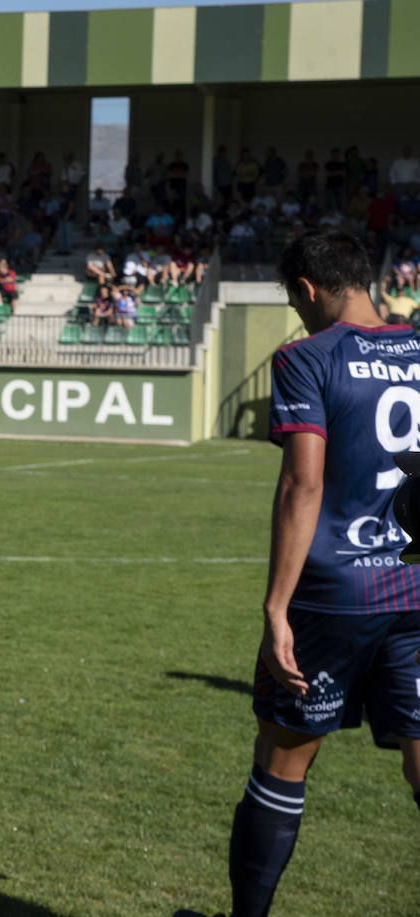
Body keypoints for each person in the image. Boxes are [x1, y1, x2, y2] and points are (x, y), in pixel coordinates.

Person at [182, 230, 420, 917]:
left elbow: (302, 485)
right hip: (414, 583)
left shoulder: (307, 357)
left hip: (336, 591)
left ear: (307, 290)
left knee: (284, 758)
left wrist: (275, 607)